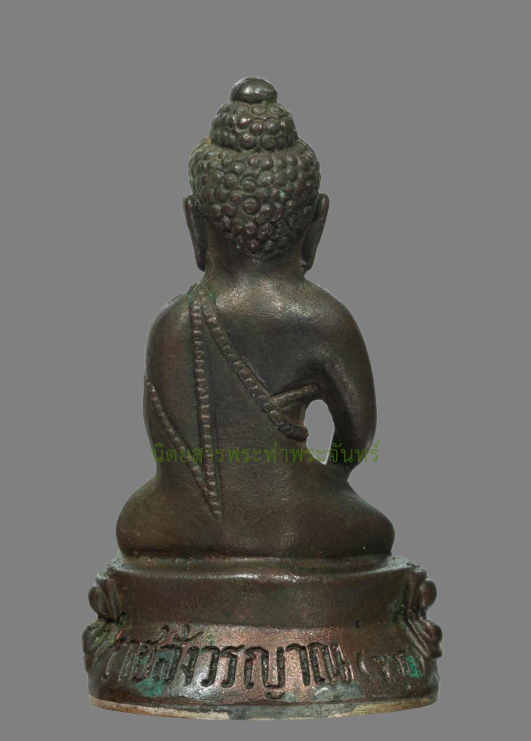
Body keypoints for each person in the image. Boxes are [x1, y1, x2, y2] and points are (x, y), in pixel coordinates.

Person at [117, 78, 394, 558]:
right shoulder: (323, 319)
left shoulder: (172, 323)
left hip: (180, 526)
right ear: (317, 223)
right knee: (373, 530)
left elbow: (169, 457)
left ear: (194, 224)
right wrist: (331, 480)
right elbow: (357, 433)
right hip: (291, 518)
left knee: (134, 523)